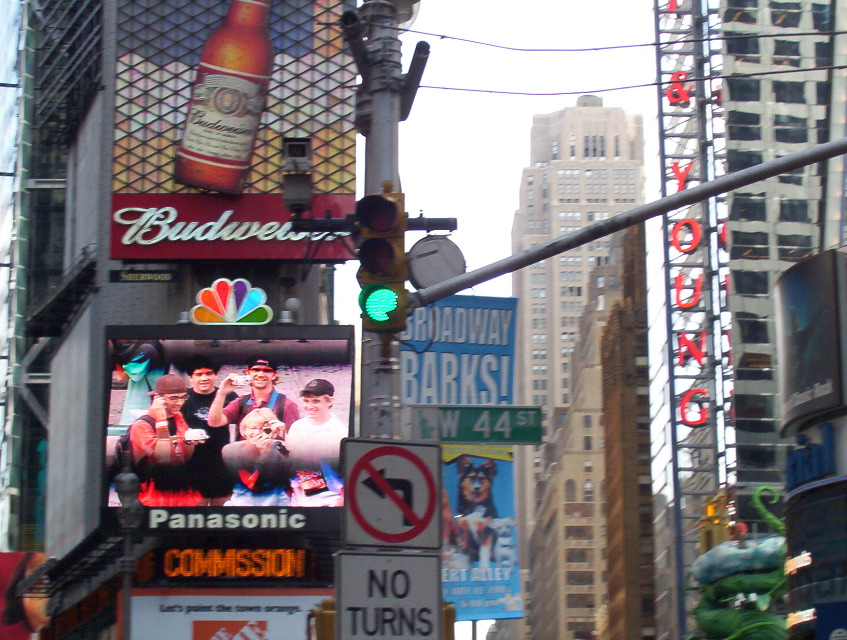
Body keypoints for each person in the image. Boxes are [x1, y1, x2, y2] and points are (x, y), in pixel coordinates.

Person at [129, 374, 202, 506]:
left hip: (181, 491)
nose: (180, 403)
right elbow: (163, 458)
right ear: (159, 399)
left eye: (183, 397)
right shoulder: (142, 425)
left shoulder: (178, 417)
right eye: (174, 398)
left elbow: (184, 458)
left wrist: (188, 442)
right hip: (153, 495)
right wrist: (161, 421)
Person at [181, 355, 238, 506]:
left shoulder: (229, 395)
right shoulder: (183, 398)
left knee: (221, 509)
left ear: (216, 375)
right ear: (190, 378)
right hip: (193, 464)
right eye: (198, 375)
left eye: (208, 373)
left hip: (221, 461)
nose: (204, 378)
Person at [285, 378, 346, 506]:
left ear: (330, 402)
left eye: (316, 401)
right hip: (298, 502)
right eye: (306, 401)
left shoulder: (341, 433)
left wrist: (339, 504)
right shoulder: (297, 427)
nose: (309, 406)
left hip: (329, 502)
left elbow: (349, 475)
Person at [206, 357, 300, 439]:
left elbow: (295, 441)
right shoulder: (242, 402)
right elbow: (214, 422)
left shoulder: (286, 405)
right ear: (247, 373)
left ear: (274, 375)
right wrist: (222, 393)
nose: (260, 374)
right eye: (256, 370)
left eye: (267, 370)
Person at [221, 408, 293, 506]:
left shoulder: (281, 447)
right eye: (253, 428)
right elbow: (253, 485)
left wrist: (286, 437)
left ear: (272, 432)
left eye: (263, 429)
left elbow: (300, 473)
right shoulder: (231, 450)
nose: (257, 433)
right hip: (243, 504)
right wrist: (265, 453)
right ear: (243, 430)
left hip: (277, 504)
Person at [111, 340, 167, 425]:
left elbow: (122, 377)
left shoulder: (147, 349)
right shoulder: (157, 346)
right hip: (152, 406)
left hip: (140, 407)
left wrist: (114, 357)